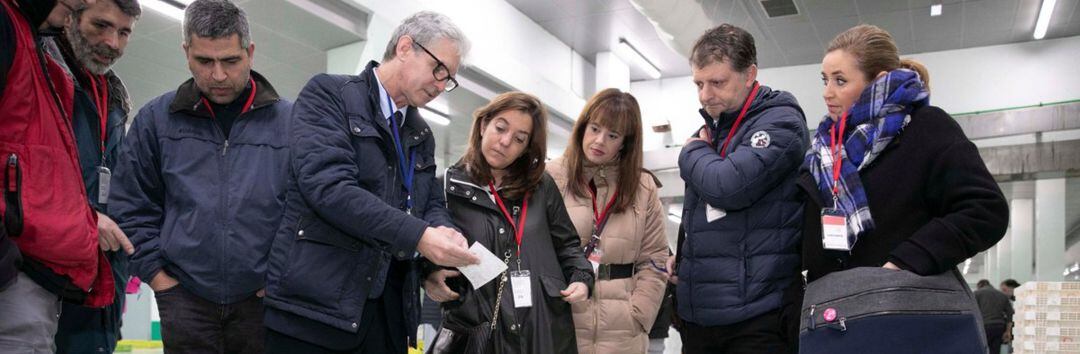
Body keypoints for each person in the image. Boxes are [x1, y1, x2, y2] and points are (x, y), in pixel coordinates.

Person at [262, 11, 479, 354]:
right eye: (438, 70)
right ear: (406, 47)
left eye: (448, 79)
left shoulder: (420, 134)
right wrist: (421, 237)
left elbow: (426, 204)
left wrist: (438, 246)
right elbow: (330, 188)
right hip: (316, 311)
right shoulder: (330, 95)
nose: (441, 85)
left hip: (388, 316)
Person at [800, 23, 1008, 348]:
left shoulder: (925, 129)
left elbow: (984, 209)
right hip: (837, 323)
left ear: (879, 81)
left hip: (913, 319)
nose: (828, 92)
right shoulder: (823, 153)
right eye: (825, 80)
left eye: (840, 80)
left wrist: (906, 261)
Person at [109, 1, 293, 352]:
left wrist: (281, 275)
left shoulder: (290, 124)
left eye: (230, 61)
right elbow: (130, 204)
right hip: (185, 300)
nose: (218, 75)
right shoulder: (156, 121)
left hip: (264, 302)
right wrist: (159, 279)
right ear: (186, 53)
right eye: (204, 61)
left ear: (250, 53)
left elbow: (308, 210)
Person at [666, 23, 808, 353]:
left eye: (717, 82)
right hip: (701, 316)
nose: (704, 95)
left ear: (749, 74)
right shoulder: (713, 131)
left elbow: (728, 187)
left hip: (757, 315)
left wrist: (690, 152)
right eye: (699, 83)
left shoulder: (781, 121)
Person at [423, 91, 594, 353]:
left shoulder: (541, 186)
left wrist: (582, 278)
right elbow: (425, 247)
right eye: (500, 128)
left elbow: (568, 245)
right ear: (483, 125)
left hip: (543, 328)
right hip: (479, 332)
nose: (504, 142)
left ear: (527, 147)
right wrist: (428, 273)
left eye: (519, 139)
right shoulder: (447, 187)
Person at [0, 0, 117, 352]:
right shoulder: (8, 27)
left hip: (40, 277)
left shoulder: (34, 43)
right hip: (15, 273)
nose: (83, 2)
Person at [39, 0, 140, 352]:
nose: (112, 42)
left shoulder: (114, 98)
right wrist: (83, 218)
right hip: (42, 273)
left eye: (123, 32)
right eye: (101, 25)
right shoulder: (38, 71)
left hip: (101, 282)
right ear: (71, 16)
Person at [545, 88, 669, 353]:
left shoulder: (643, 186)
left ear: (625, 142)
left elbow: (655, 257)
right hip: (562, 315)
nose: (599, 141)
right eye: (595, 129)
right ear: (582, 128)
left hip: (624, 327)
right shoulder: (549, 177)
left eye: (612, 135)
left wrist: (639, 314)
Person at [975, 279, 1013, 354]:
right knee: (995, 351)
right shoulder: (1002, 295)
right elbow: (1010, 314)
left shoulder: (977, 293)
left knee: (981, 349)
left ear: (980, 286)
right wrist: (1008, 331)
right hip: (999, 327)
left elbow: (972, 311)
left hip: (984, 327)